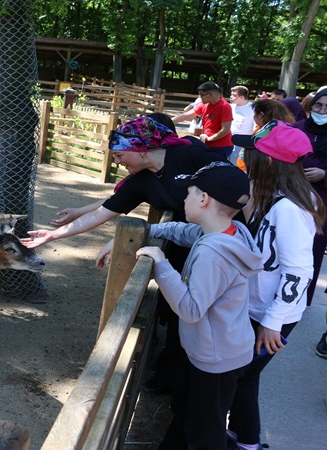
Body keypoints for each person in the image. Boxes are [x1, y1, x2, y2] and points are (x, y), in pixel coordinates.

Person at [22, 115, 227, 395]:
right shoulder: (140, 182)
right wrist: (52, 235)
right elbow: (102, 212)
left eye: (119, 155)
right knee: (184, 313)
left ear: (140, 148)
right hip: (186, 245)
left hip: (221, 246)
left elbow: (235, 187)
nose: (117, 162)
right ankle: (177, 379)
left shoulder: (189, 153)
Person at [137, 161, 262, 450]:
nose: (183, 199)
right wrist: (152, 229)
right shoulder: (230, 232)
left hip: (216, 358)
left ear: (204, 199)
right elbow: (186, 232)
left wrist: (160, 264)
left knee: (204, 432)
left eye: (189, 193)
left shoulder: (213, 254)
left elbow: (191, 309)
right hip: (214, 351)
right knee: (188, 414)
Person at [227, 120, 326, 450]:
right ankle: (244, 437)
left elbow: (298, 271)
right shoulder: (270, 195)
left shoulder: (291, 209)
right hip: (257, 305)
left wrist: (272, 323)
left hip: (273, 312)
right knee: (244, 376)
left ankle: (248, 442)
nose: (243, 155)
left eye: (249, 152)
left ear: (267, 161)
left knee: (240, 376)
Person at [292, 87, 327, 307]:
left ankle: (302, 298)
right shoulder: (296, 129)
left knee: (313, 250)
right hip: (292, 197)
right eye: (318, 105)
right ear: (310, 106)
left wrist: (324, 174)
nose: (322, 111)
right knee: (286, 244)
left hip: (322, 203)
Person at [173, 81, 234, 158]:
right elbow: (186, 115)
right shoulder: (203, 105)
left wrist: (210, 139)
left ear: (211, 94)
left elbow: (226, 129)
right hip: (207, 144)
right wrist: (169, 120)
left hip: (221, 146)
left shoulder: (225, 107)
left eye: (202, 95)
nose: (200, 97)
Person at [236, 100, 294, 172]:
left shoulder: (264, 133)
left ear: (260, 115)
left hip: (259, 175)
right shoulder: (286, 130)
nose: (253, 116)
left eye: (254, 113)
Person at [229, 85, 256, 165]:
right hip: (228, 140)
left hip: (243, 143)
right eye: (231, 95)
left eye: (234, 95)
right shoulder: (230, 107)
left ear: (241, 97)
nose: (231, 97)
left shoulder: (252, 108)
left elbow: (255, 127)